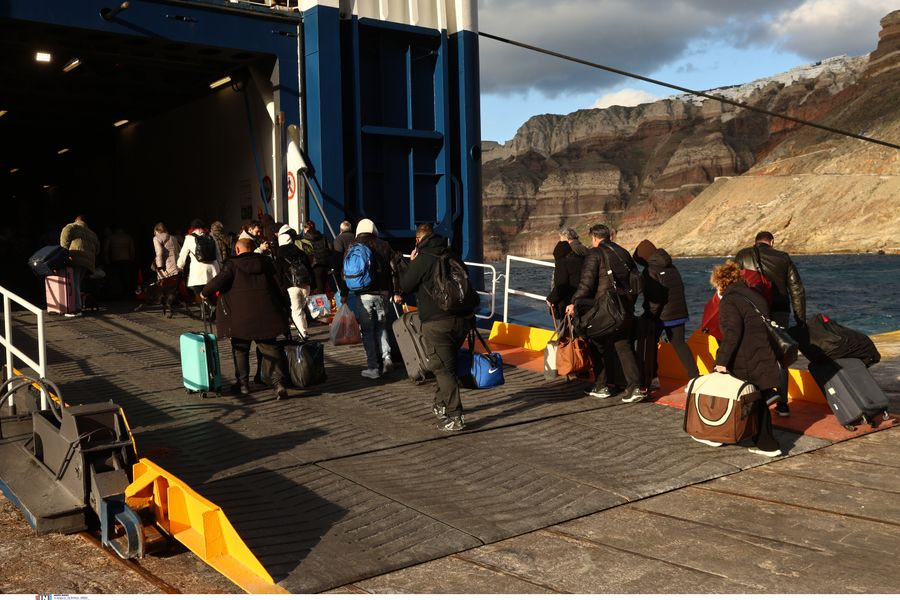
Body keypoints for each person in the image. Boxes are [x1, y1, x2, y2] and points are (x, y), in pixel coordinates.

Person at [400, 223, 476, 431]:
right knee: (447, 366)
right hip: (462, 320)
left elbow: (405, 285)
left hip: (436, 322)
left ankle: (455, 416)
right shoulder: (451, 255)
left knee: (442, 369)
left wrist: (412, 262)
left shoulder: (423, 259)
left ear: (418, 240)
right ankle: (441, 404)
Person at [709, 260, 782, 457]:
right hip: (762, 353)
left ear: (721, 283)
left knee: (745, 397)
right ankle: (765, 442)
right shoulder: (754, 296)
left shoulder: (730, 300)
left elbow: (732, 333)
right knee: (757, 398)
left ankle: (723, 432)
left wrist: (721, 362)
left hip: (745, 357)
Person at [201, 238, 289, 400]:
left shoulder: (232, 265)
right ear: (253, 248)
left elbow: (217, 283)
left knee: (240, 350)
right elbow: (279, 286)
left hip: (241, 317)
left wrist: (204, 292)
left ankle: (243, 385)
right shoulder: (266, 263)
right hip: (266, 315)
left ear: (237, 249)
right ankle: (279, 384)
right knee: (271, 349)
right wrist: (286, 308)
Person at [566, 223, 644, 403]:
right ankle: (635, 387)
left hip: (604, 308)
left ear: (594, 238)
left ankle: (602, 385)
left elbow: (586, 283)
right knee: (623, 345)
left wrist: (574, 302)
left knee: (596, 343)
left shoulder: (595, 253)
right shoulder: (622, 252)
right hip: (624, 307)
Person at [734, 230, 805, 416]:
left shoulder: (743, 255)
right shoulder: (783, 257)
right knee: (780, 357)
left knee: (753, 354)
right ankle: (782, 404)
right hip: (779, 312)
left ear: (755, 242)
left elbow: (731, 283)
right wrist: (800, 319)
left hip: (752, 310)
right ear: (771, 242)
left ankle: (754, 400)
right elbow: (796, 288)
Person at [633, 239, 699, 381]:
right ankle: (695, 376)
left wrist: (649, 315)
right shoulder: (671, 266)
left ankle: (650, 377)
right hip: (679, 312)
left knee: (649, 346)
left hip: (661, 315)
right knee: (680, 345)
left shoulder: (650, 270)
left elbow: (655, 298)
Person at [347, 218, 401, 379]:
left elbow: (346, 271)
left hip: (363, 295)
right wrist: (396, 291)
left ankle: (373, 367)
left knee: (368, 331)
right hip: (383, 294)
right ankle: (387, 359)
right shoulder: (384, 245)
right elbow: (394, 271)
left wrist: (344, 293)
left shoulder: (353, 245)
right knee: (382, 327)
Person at [275, 224, 312, 339]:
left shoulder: (279, 253)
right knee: (302, 307)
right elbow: (309, 267)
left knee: (296, 310)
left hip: (291, 285)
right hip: (305, 283)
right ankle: (304, 329)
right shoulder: (300, 251)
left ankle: (303, 332)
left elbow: (278, 272)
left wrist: (280, 285)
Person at [59, 214, 100, 317]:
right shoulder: (92, 233)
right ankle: (78, 306)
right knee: (78, 283)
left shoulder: (72, 226)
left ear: (76, 220)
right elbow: (98, 249)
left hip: (76, 257)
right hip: (88, 262)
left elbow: (64, 238)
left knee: (75, 283)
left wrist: (64, 251)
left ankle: (77, 309)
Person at [176, 219, 221, 297]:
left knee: (199, 295)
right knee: (213, 294)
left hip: (198, 274)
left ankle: (204, 304)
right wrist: (220, 266)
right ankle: (212, 306)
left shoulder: (189, 238)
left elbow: (182, 255)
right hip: (213, 271)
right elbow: (218, 254)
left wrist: (179, 267)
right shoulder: (211, 237)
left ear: (192, 228)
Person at [546, 235, 584, 322]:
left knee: (567, 329)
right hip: (582, 301)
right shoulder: (581, 259)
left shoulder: (562, 263)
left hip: (568, 303)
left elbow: (561, 284)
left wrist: (551, 299)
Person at [105, 226, 136, 299]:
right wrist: (132, 259)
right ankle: (127, 294)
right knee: (126, 278)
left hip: (115, 260)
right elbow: (132, 250)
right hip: (126, 259)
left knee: (116, 278)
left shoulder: (111, 237)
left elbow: (105, 250)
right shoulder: (128, 237)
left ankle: (118, 294)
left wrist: (107, 261)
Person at [303, 220, 332, 294]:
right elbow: (330, 248)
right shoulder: (322, 236)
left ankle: (320, 305)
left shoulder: (304, 239)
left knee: (314, 291)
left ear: (306, 228)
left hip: (313, 266)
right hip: (324, 265)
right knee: (323, 289)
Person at [333, 220, 355, 300]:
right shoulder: (356, 237)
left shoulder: (339, 239)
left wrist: (336, 270)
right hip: (358, 270)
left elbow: (338, 256)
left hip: (345, 271)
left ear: (341, 230)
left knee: (344, 295)